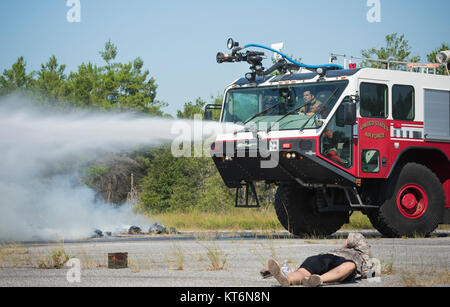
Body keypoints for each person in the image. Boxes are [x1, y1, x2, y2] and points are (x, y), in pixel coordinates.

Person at [260, 232, 371, 287]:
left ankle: (299, 279)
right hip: (333, 259)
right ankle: (288, 279)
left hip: (328, 258)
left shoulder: (361, 256)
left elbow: (352, 239)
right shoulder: (363, 254)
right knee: (302, 272)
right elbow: (356, 237)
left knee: (302, 272)